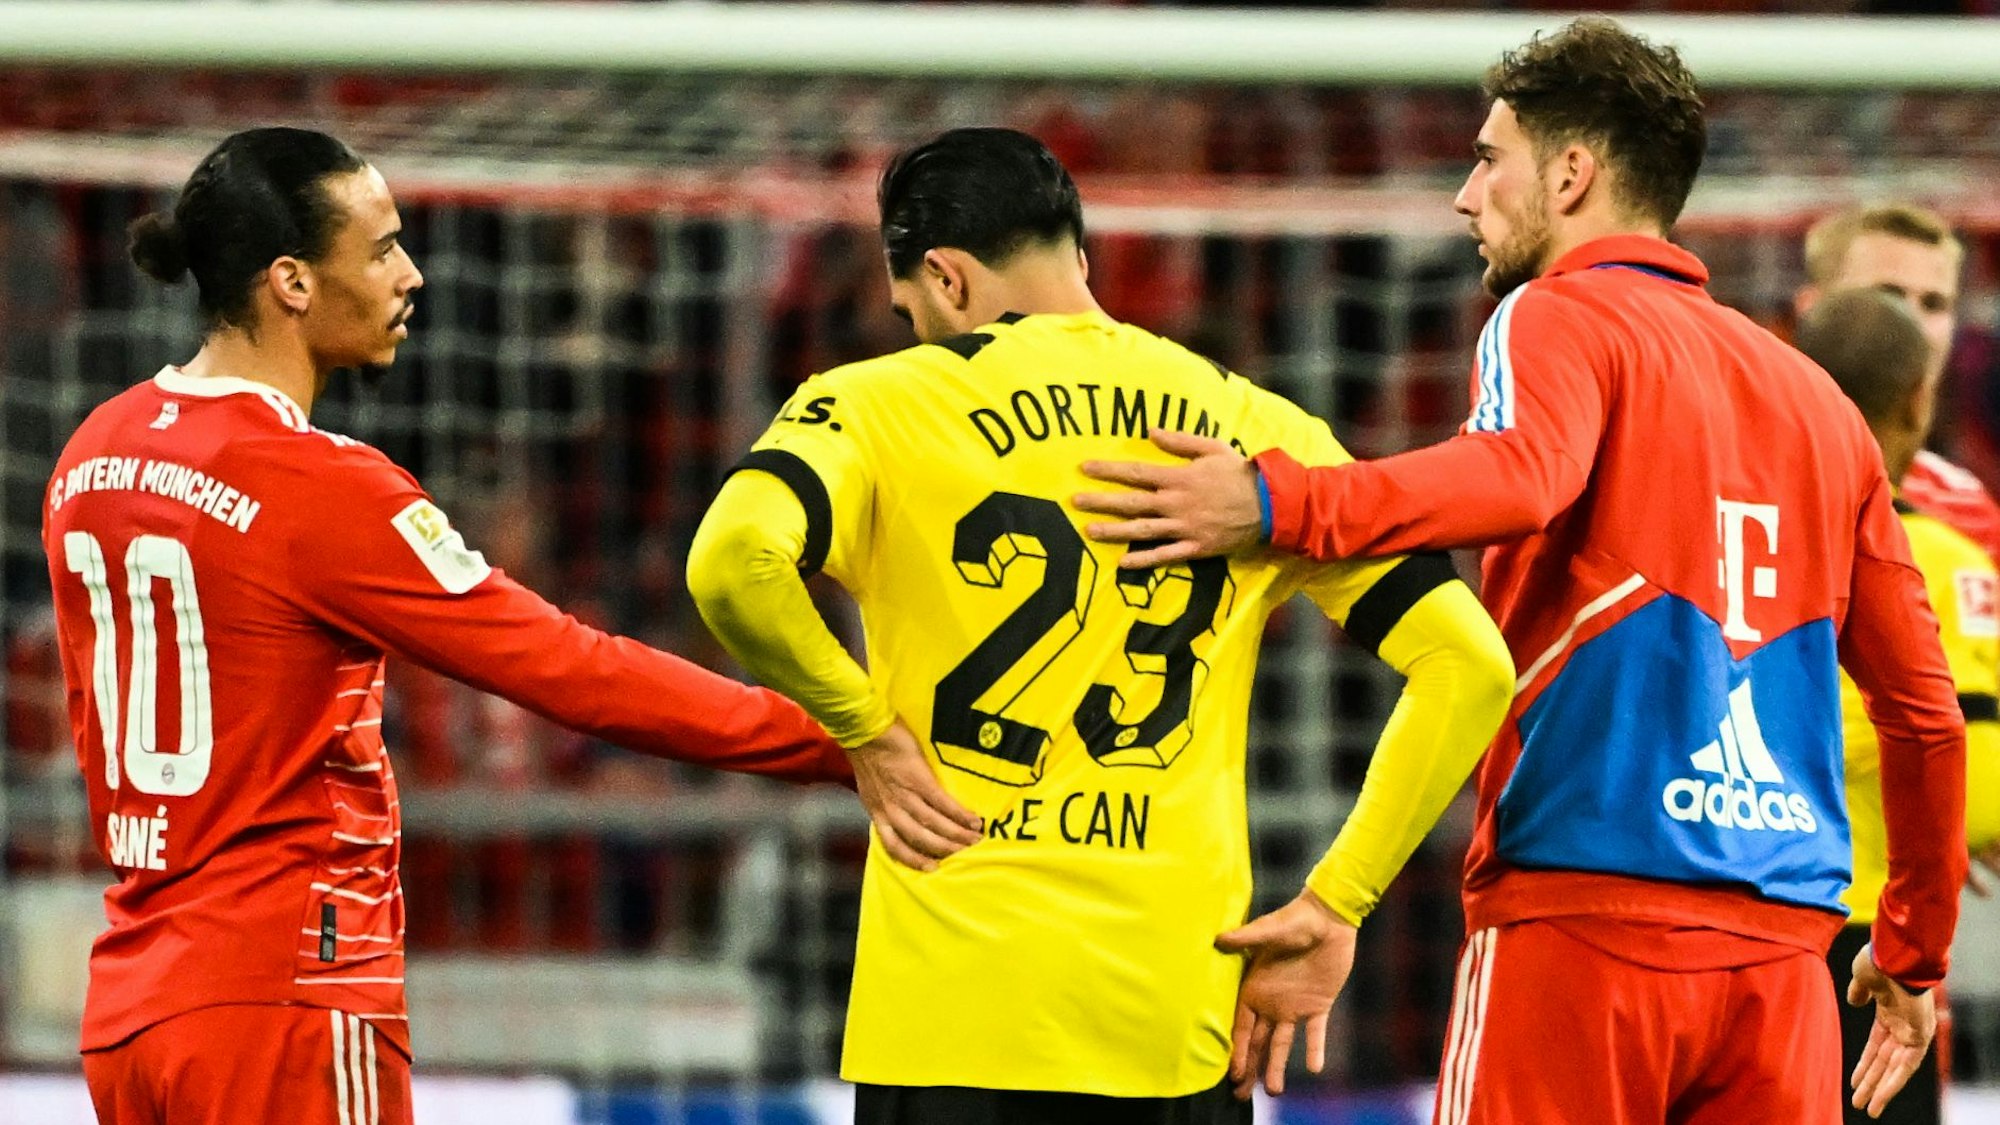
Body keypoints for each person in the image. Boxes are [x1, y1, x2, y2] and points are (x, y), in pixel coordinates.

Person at [1072, 17, 1967, 1123]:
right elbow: (1922, 712)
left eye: (1488, 157)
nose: (1464, 194)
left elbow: (1520, 476)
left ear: (1571, 172)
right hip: (1778, 966)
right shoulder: (1820, 409)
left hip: (1585, 922)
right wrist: (1912, 950)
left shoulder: (1559, 314)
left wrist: (1273, 499)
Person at [42, 127, 968, 1125]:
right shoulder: (317, 484)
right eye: (383, 248)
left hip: (136, 1003)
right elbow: (570, 669)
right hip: (286, 996)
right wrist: (838, 741)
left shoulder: (97, 450)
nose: (412, 274)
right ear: (292, 282)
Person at [685, 126, 1515, 1123]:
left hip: (950, 1022)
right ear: (1077, 256)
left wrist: (859, 725)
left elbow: (731, 564)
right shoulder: (1254, 427)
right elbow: (1468, 666)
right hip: (1174, 1023)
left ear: (944, 282)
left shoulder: (875, 406)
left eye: (909, 314)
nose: (915, 334)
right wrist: (1336, 900)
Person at [1795, 288, 2000, 1125]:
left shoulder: (1733, 534)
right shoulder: (1948, 560)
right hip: (1870, 948)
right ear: (1920, 397)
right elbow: (1979, 788)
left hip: (1727, 928)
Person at [1796, 204, 2000, 564]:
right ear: (1812, 309)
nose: (1913, 325)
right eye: (1888, 295)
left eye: (1934, 303)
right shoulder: (1733, 472)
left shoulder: (1970, 514)